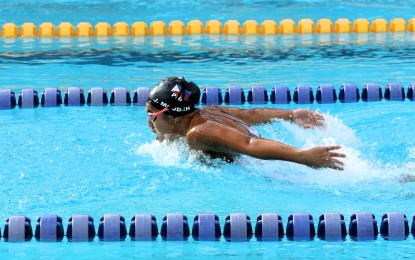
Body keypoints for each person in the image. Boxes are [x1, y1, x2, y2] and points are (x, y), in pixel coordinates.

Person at [146, 76, 346, 170]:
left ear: (174, 116)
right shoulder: (209, 111)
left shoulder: (197, 133)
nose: (149, 119)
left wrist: (303, 157)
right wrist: (291, 114)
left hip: (272, 170)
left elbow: (250, 145)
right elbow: (250, 114)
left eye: (151, 114)